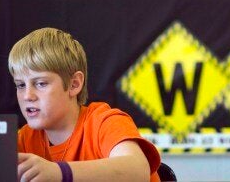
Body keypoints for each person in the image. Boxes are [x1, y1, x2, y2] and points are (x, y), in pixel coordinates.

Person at [9, 27, 161, 182]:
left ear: (74, 84)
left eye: (41, 83)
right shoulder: (24, 138)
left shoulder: (105, 122)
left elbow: (138, 171)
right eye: (20, 85)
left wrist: (60, 172)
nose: (27, 95)